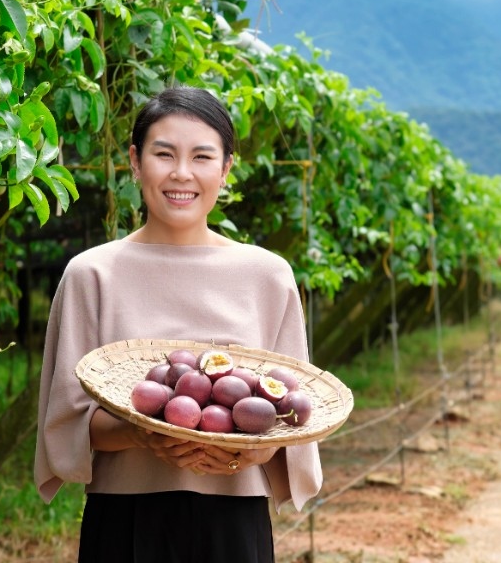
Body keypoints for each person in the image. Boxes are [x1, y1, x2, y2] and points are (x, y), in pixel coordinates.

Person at [34, 86, 322, 562]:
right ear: (134, 161)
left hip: (235, 520)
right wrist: (141, 432)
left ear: (226, 168)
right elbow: (68, 424)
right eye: (163, 154)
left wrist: (251, 451)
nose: (181, 174)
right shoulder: (91, 274)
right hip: (125, 520)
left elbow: (288, 419)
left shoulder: (268, 276)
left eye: (202, 157)